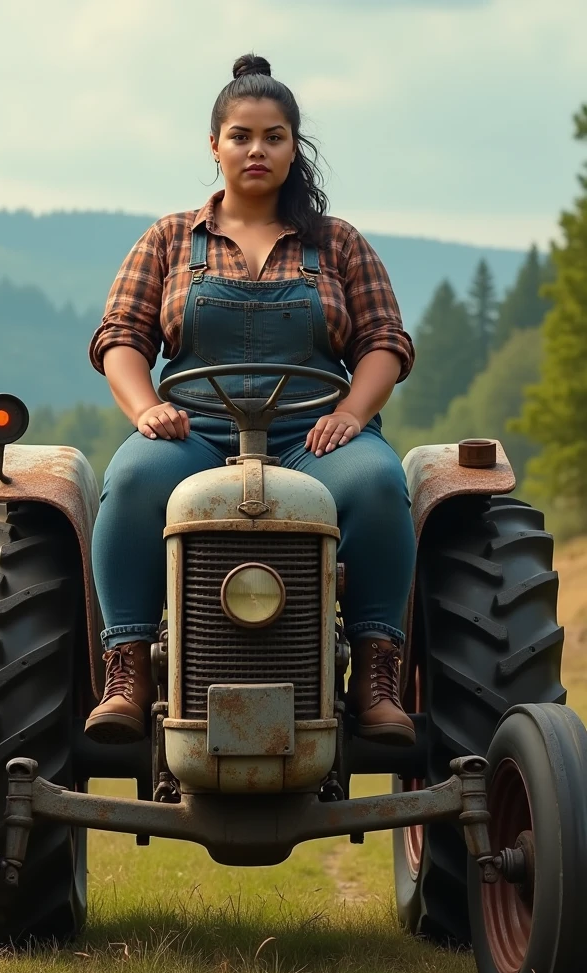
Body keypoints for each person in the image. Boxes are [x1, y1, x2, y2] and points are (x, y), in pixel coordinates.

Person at [85, 53, 417, 747]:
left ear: (294, 147)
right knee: (131, 480)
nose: (256, 150)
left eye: (273, 137)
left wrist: (352, 414)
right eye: (241, 136)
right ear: (215, 146)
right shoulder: (172, 238)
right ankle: (128, 668)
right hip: (194, 437)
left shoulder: (338, 243)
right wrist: (146, 409)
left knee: (383, 482)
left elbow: (385, 340)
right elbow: (120, 336)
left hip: (312, 438)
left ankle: (376, 673)